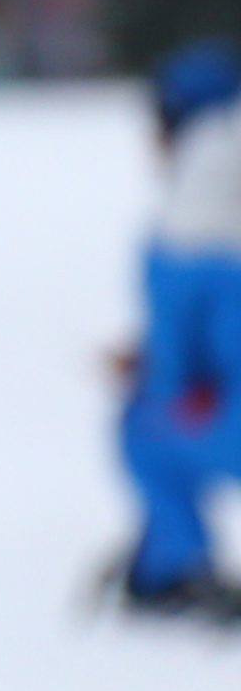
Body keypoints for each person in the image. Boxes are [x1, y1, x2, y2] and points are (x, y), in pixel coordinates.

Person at [118, 41, 241, 618]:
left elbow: (180, 362)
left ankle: (174, 568)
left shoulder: (196, 201)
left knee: (143, 432)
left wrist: (148, 372)